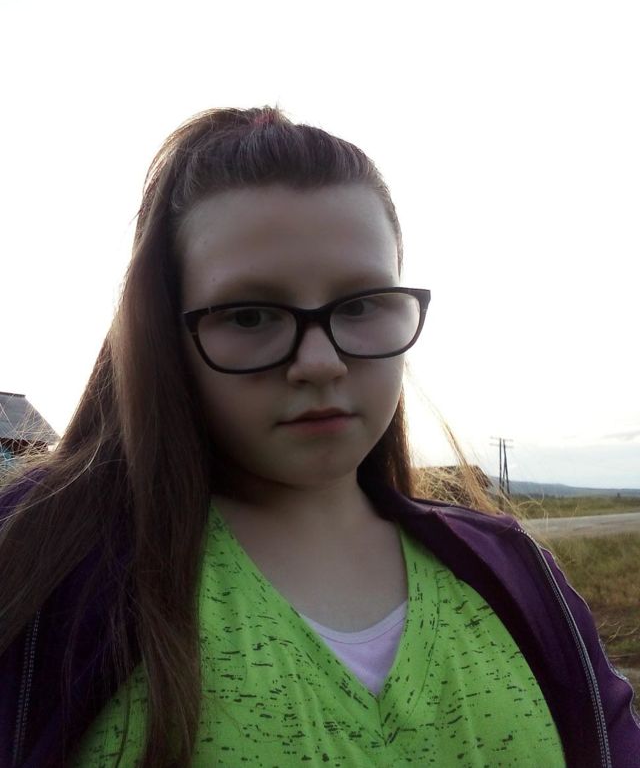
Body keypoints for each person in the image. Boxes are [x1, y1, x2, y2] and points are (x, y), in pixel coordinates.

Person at [0, 107, 638, 768]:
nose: (321, 363)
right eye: (250, 315)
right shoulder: (43, 569)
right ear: (167, 335)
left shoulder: (514, 575)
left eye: (360, 305)